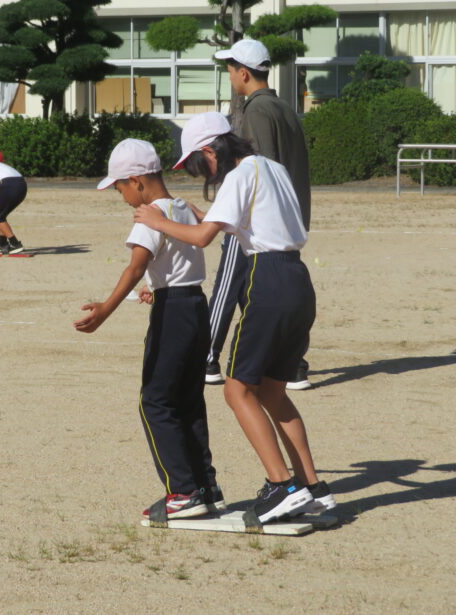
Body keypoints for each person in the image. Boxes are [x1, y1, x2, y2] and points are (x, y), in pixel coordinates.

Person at [134, 113, 335, 524]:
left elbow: (204, 238)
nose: (198, 171)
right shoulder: (270, 167)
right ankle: (313, 487)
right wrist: (199, 211)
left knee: (236, 389)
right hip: (298, 278)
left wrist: (158, 221)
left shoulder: (239, 175)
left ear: (211, 151)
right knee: (273, 394)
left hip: (268, 278)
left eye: (197, 163)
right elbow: (248, 218)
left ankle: (282, 487)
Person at [74, 138, 224, 520]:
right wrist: (158, 288)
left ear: (138, 181)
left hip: (173, 313)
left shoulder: (150, 213)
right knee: (188, 401)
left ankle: (184, 490)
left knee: (155, 401)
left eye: (121, 187)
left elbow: (136, 266)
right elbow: (176, 262)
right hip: (193, 303)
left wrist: (106, 309)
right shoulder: (183, 209)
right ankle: (206, 485)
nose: (122, 196)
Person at [205, 38, 313, 390]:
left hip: (259, 217)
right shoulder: (284, 107)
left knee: (228, 282)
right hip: (287, 217)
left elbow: (258, 167)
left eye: (231, 69)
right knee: (264, 290)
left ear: (245, 73)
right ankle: (292, 363)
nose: (229, 75)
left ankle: (206, 357)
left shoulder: (256, 110)